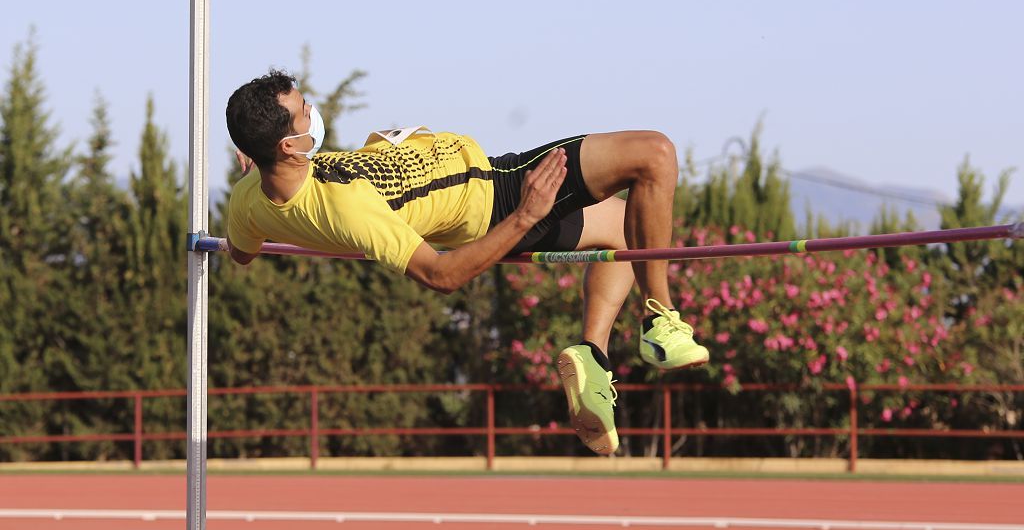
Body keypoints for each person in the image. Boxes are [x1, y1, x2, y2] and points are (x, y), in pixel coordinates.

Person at [224, 70, 709, 455]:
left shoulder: (249, 197)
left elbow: (242, 253)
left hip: (489, 181)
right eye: (305, 111)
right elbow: (442, 275)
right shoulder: (346, 208)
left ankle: (594, 358)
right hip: (499, 191)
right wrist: (525, 215)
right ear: (288, 147)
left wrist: (257, 171)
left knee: (629, 225)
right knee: (654, 154)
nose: (314, 112)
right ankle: (659, 319)